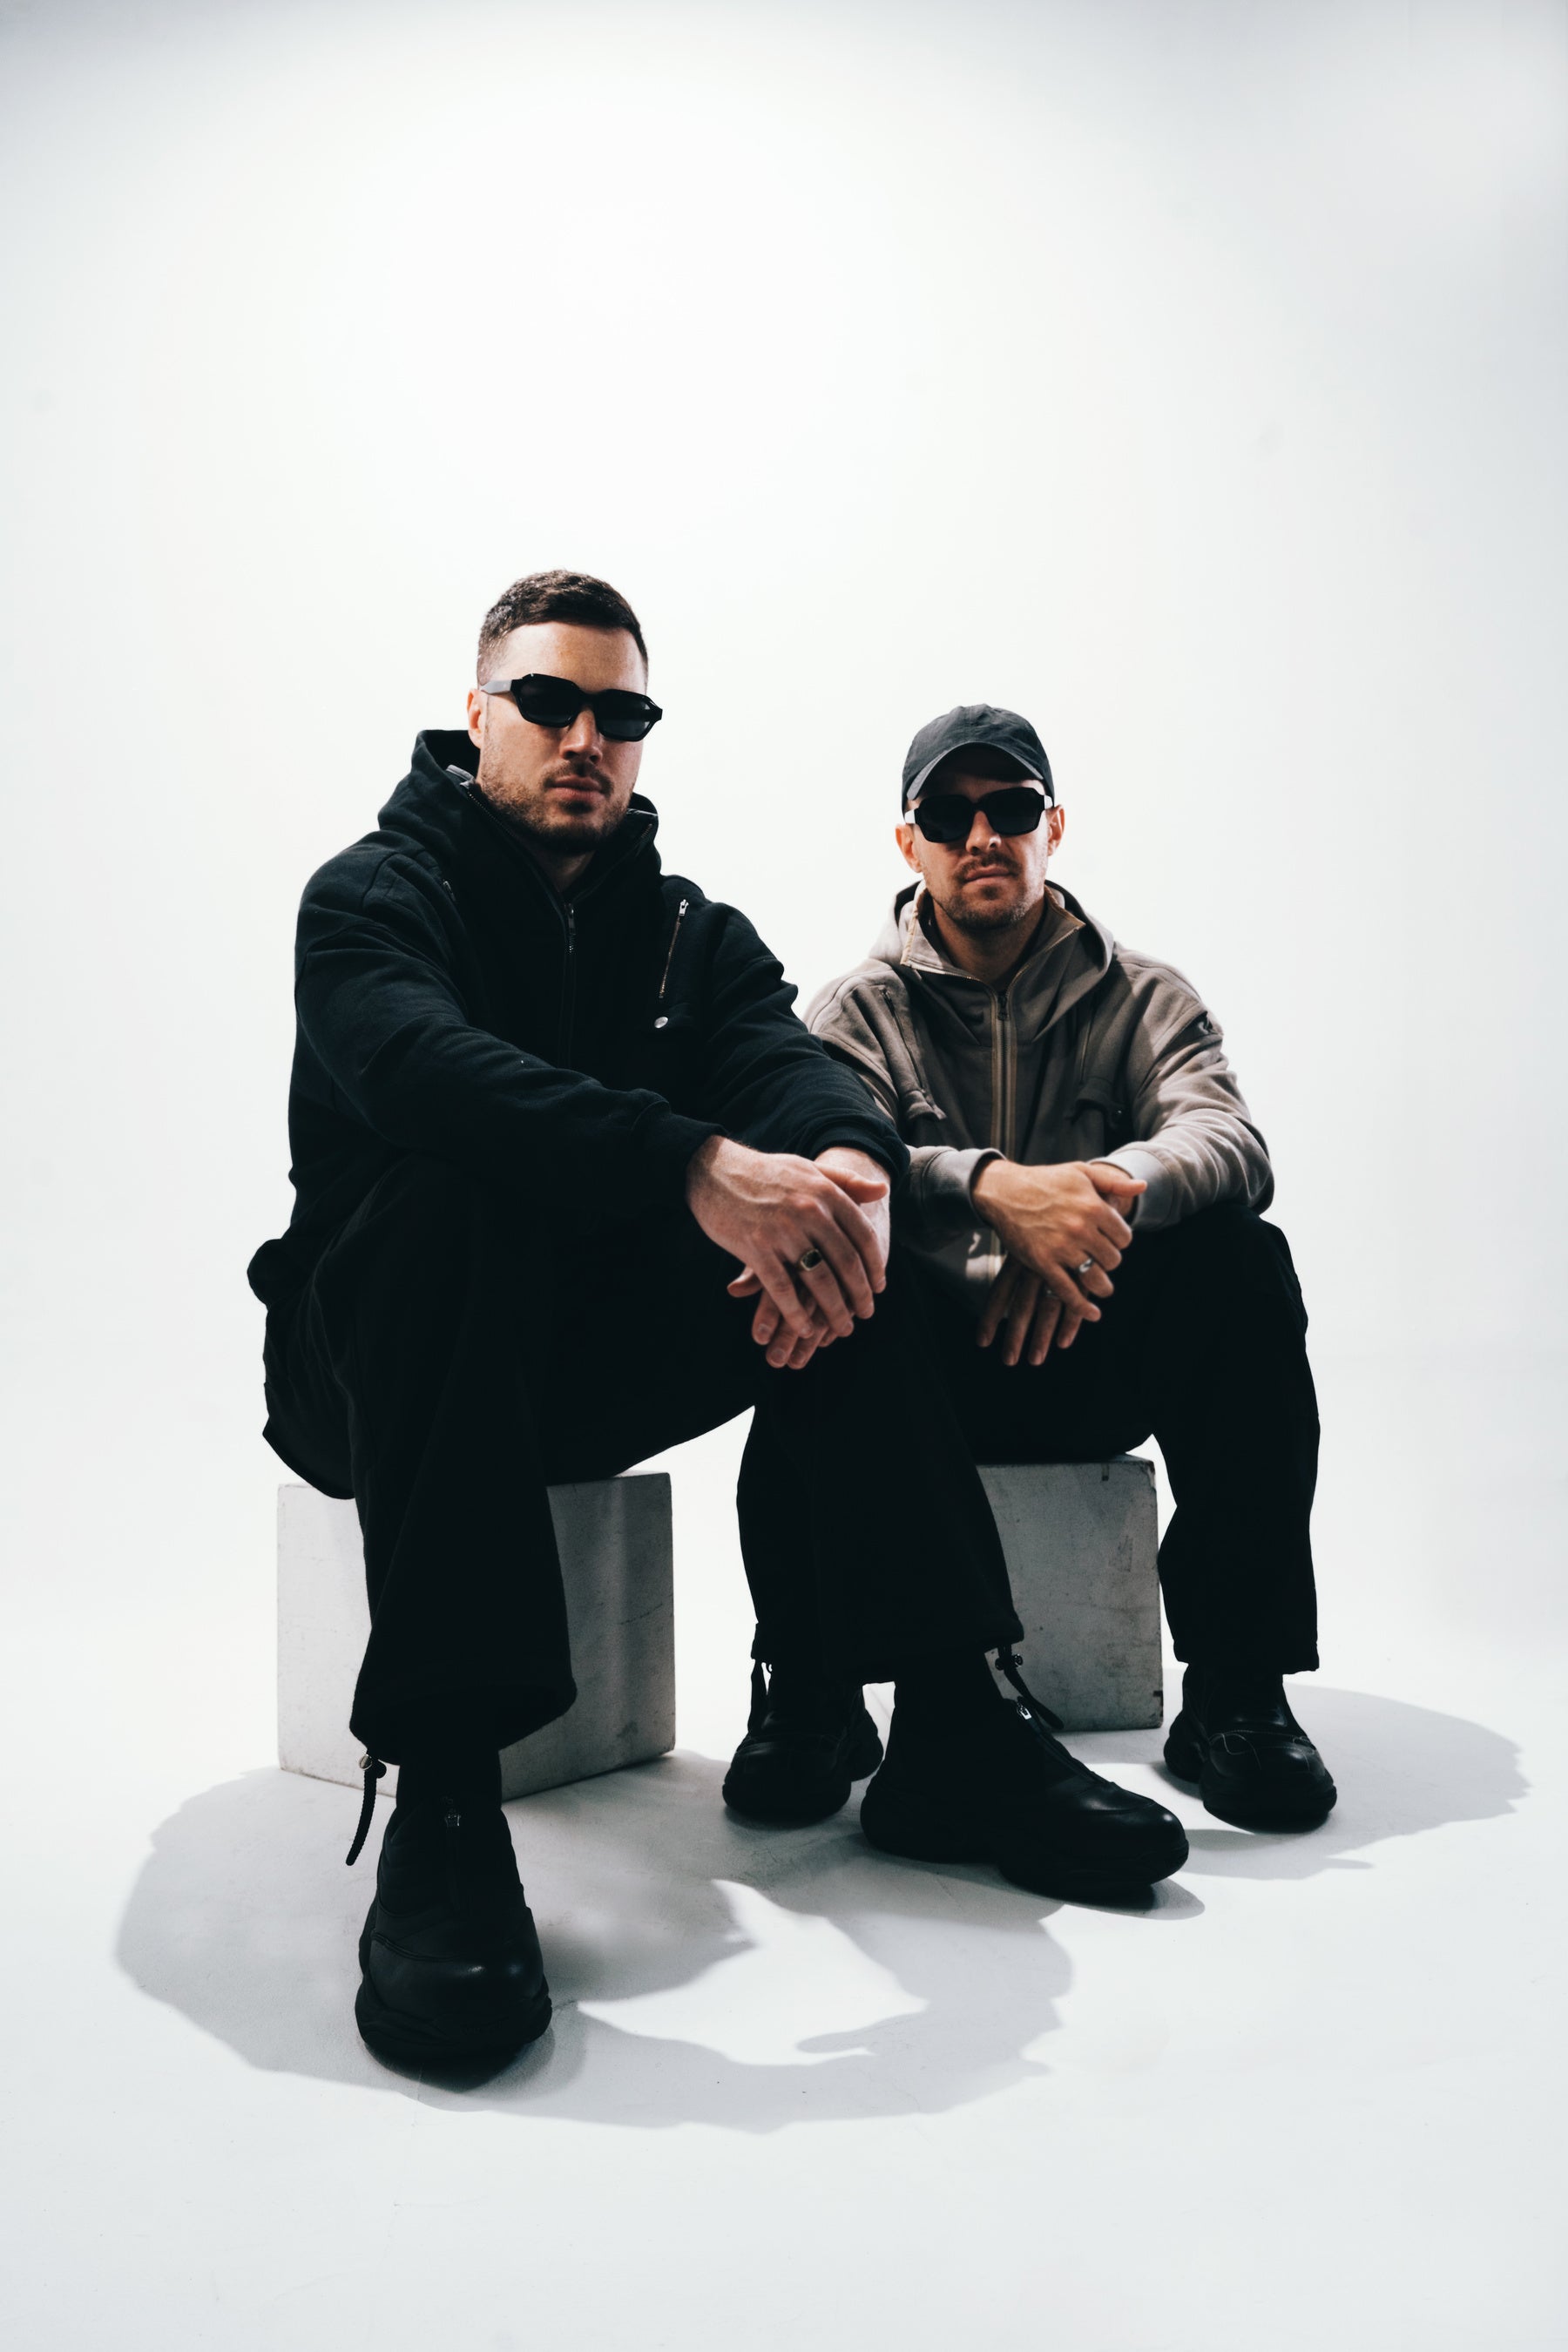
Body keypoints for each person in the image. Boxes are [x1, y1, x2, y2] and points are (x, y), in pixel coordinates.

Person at [248, 581, 1186, 2074]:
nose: (586, 738)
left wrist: (850, 1175)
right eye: (549, 702)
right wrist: (690, 1164)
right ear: (478, 714)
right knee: (439, 1200)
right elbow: (426, 1071)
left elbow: (793, 1071)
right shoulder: (371, 898)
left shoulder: (686, 931)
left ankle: (949, 1724)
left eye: (619, 712)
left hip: (576, 1365)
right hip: (376, 1365)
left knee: (833, 1219)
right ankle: (446, 1798)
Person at [806, 703, 1336, 1837]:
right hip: (922, 1384)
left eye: (1009, 808)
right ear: (909, 843)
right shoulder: (857, 1010)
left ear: (1052, 826)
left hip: (1087, 1348)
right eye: (948, 815)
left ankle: (1238, 1691)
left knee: (1243, 1260)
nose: (981, 835)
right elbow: (830, 1162)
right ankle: (815, 1683)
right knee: (826, 1274)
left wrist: (1084, 1212)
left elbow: (1228, 1139)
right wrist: (997, 1195)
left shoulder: (1144, 996)